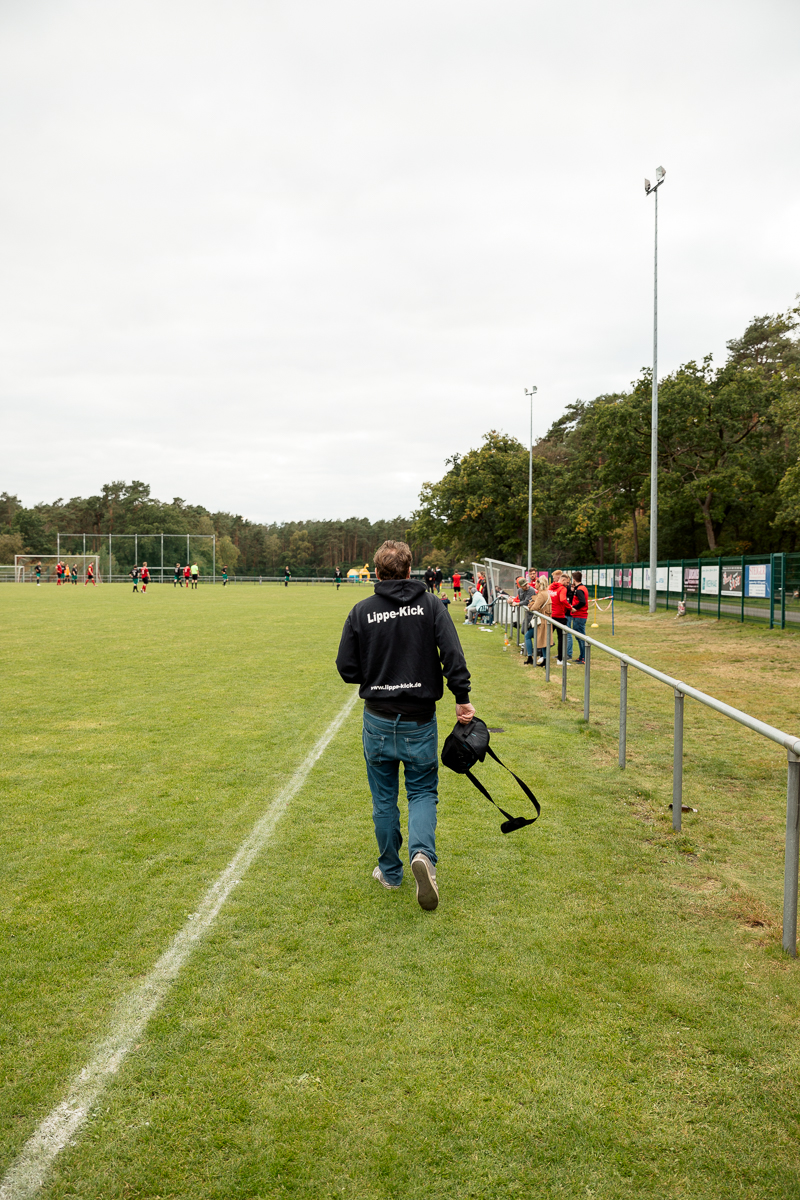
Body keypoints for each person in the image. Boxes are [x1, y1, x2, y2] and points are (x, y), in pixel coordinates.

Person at [336, 539, 474, 912]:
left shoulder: (362, 610)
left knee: (384, 798)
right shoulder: (431, 605)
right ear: (410, 570)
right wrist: (462, 697)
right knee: (422, 792)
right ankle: (422, 855)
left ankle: (390, 871)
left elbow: (346, 668)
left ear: (377, 572)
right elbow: (453, 654)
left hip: (378, 719)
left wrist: (378, 674)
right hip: (419, 720)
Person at [524, 578, 551, 665]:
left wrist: (530, 606)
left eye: (536, 583)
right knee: (543, 640)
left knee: (528, 636)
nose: (535, 585)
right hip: (544, 619)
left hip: (542, 620)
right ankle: (544, 660)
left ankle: (530, 657)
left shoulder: (542, 594)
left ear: (539, 584)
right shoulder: (544, 593)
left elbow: (534, 607)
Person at [547, 570, 569, 664]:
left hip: (551, 615)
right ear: (562, 579)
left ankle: (542, 656)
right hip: (560, 616)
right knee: (561, 638)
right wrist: (570, 608)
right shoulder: (562, 588)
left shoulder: (550, 587)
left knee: (547, 636)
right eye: (567, 582)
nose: (568, 584)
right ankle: (560, 659)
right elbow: (563, 599)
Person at [567, 572, 588, 665]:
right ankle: (581, 656)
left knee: (581, 637)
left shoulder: (580, 590)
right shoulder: (580, 588)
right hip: (579, 616)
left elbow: (582, 602)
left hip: (579, 616)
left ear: (574, 580)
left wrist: (574, 607)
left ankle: (584, 657)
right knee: (579, 637)